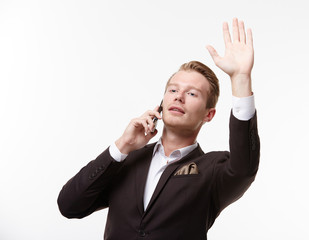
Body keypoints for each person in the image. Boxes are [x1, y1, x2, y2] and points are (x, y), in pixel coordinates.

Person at [57, 18, 260, 240]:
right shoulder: (128, 160)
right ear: (161, 103)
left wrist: (241, 79)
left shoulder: (212, 170)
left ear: (208, 114)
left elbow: (244, 168)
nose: (179, 97)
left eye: (192, 94)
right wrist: (122, 146)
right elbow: (69, 205)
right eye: (173, 90)